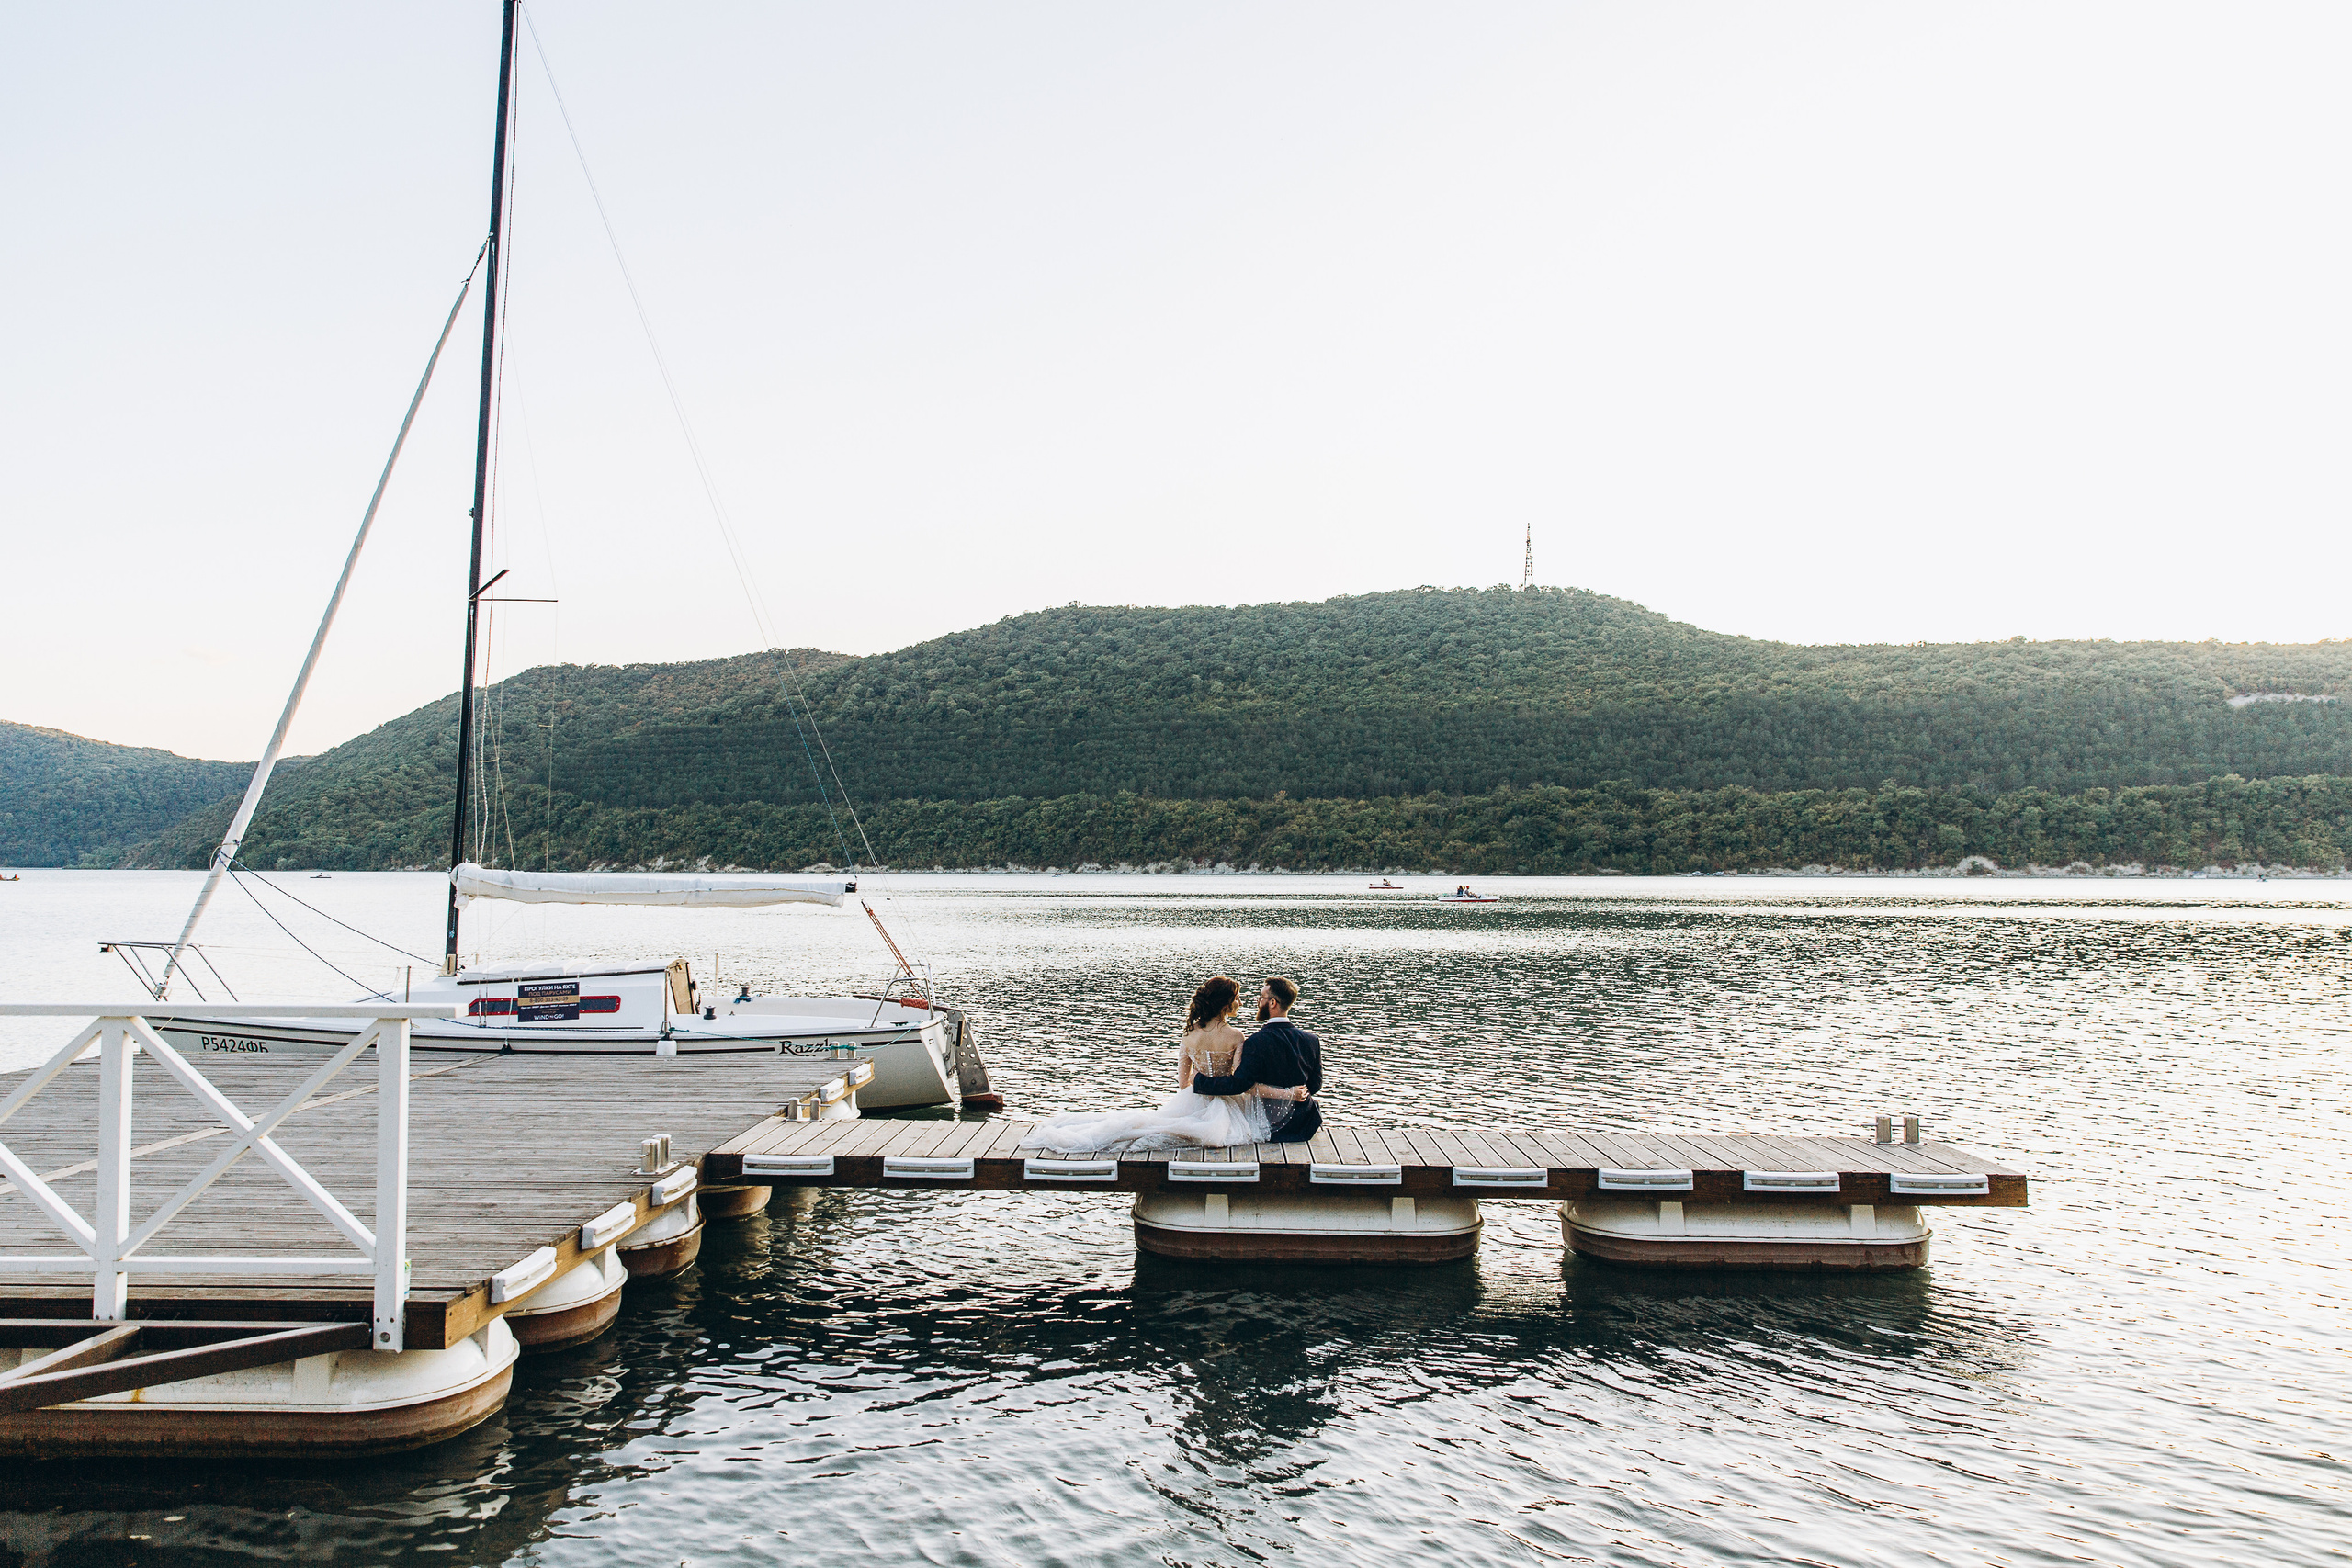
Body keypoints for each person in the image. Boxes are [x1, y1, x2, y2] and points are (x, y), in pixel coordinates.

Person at [1027, 976, 1309, 1154]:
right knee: (1210, 1132)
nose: (1240, 1002)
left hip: (1192, 1098)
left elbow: (1182, 1081)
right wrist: (1287, 1093)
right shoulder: (1237, 1036)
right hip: (1226, 1105)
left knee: (1157, 1122)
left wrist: (1191, 1097)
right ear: (1226, 1006)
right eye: (1235, 999)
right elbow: (1240, 1085)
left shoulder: (1189, 1034)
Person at [1185, 976, 1322, 1144]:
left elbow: (1241, 1084)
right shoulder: (1312, 1040)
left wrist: (1199, 1081)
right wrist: (1293, 1094)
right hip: (1305, 1125)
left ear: (1272, 1003)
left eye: (1261, 997)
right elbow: (1315, 1085)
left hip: (1269, 1126)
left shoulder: (1255, 1042)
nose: (1257, 1002)